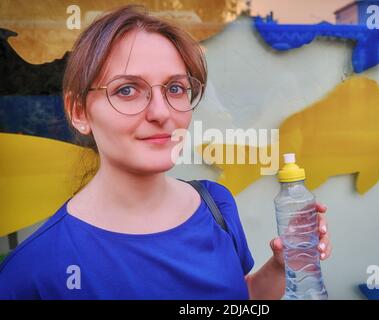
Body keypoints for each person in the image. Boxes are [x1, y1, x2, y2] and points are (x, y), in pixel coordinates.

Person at [0, 5, 331, 300]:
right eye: (127, 90)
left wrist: (281, 266)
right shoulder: (33, 272)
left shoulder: (217, 205)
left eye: (175, 88)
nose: (161, 112)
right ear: (79, 111)